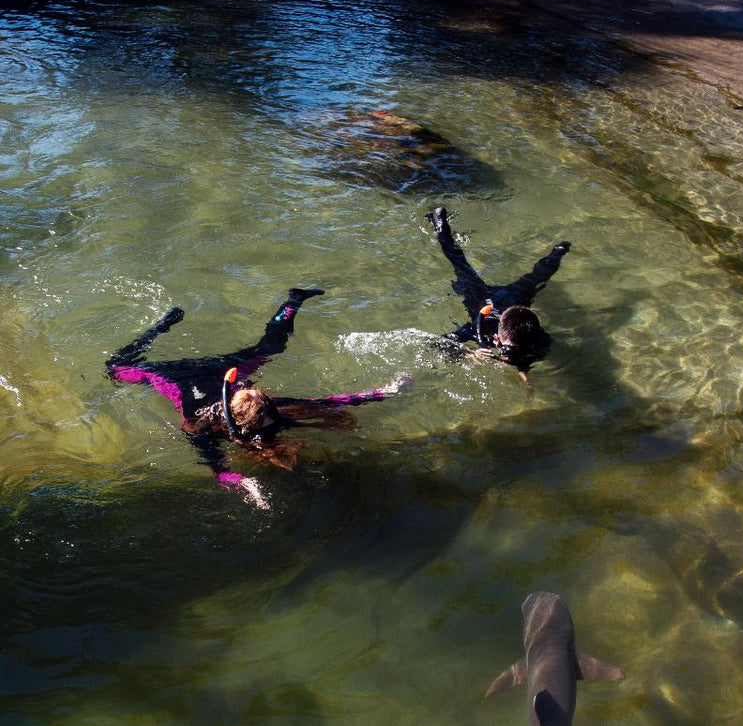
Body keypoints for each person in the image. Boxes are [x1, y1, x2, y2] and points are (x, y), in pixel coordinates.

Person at [107, 290, 411, 507]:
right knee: (114, 368)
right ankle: (161, 325)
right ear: (241, 422)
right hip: (172, 375)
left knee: (272, 347)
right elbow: (219, 470)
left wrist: (383, 392)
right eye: (265, 423)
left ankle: (293, 300)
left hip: (220, 371)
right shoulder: (199, 428)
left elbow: (327, 401)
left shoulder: (265, 407)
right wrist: (245, 484)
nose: (273, 422)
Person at [425, 205, 571, 383]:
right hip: (482, 297)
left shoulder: (538, 339)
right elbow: (437, 344)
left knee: (537, 277)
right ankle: (440, 226)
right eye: (506, 348)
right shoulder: (481, 330)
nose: (504, 351)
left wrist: (522, 368)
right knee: (460, 263)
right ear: (496, 338)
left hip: (513, 298)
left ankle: (559, 251)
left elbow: (539, 352)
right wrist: (469, 355)